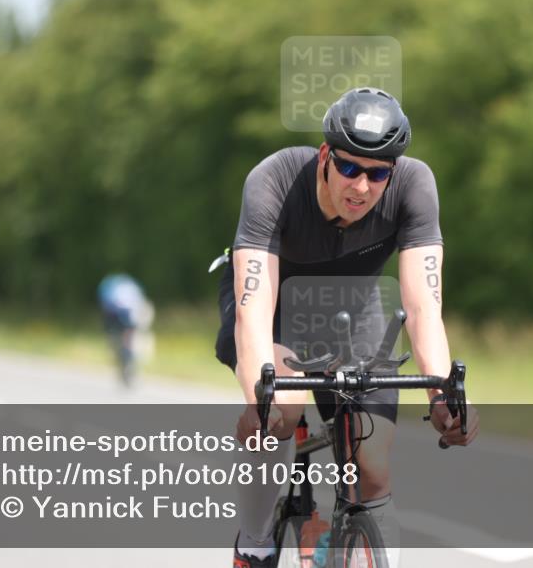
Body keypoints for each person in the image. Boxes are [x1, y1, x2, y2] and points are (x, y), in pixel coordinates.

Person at [214, 87, 478, 568]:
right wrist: (260, 397)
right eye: (350, 167)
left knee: (370, 468)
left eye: (377, 174)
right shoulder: (274, 179)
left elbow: (423, 308)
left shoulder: (415, 184)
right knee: (279, 414)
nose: (361, 186)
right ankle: (255, 542)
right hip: (276, 309)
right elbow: (254, 310)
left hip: (354, 312)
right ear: (324, 157)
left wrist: (442, 395)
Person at [97, 273, 155, 386]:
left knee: (121, 339)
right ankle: (127, 358)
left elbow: (104, 301)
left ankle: (126, 359)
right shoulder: (131, 286)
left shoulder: (111, 286)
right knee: (126, 338)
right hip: (126, 317)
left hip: (119, 318)